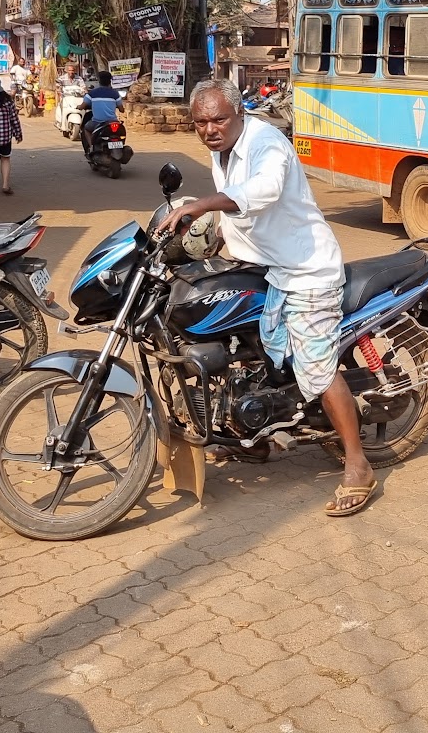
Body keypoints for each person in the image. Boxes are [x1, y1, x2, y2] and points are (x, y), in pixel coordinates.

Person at [157, 79, 376, 517]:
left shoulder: (266, 142)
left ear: (239, 113)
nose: (210, 129)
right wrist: (210, 238)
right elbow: (242, 213)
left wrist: (202, 205)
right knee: (241, 344)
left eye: (219, 119)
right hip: (264, 265)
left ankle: (358, 464)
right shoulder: (222, 150)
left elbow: (263, 191)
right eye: (200, 122)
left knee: (315, 366)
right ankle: (252, 438)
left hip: (305, 270)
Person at [81, 71, 123, 156]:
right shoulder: (115, 94)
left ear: (99, 81)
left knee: (86, 129)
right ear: (110, 81)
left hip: (97, 122)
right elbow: (122, 109)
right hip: (113, 122)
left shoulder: (92, 93)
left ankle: (91, 147)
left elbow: (83, 106)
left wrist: (79, 107)